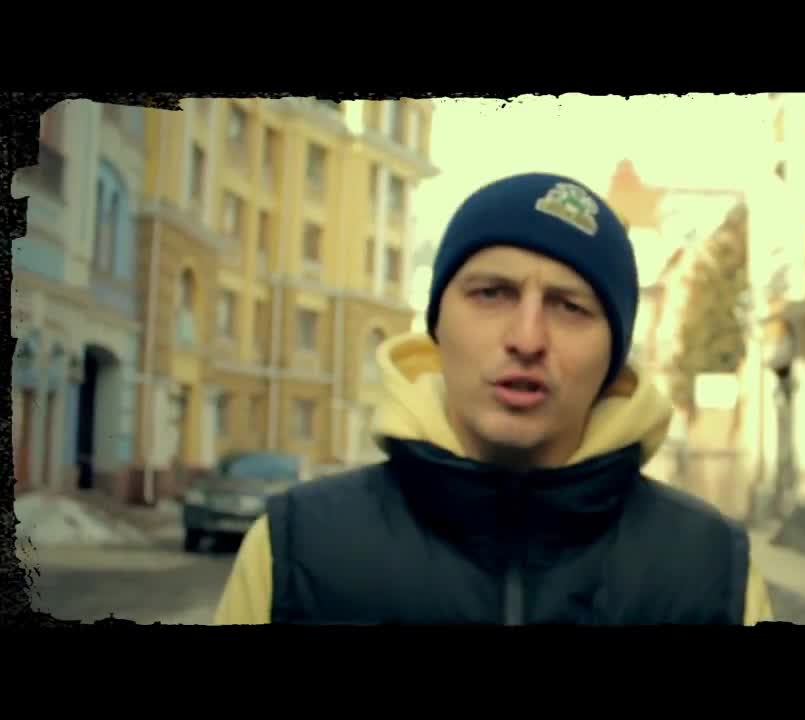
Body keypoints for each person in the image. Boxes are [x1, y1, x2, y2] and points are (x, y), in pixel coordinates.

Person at [212, 171, 773, 625]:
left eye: (570, 306)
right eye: (491, 293)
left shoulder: (711, 572)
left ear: (612, 361)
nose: (527, 339)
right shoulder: (296, 549)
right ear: (437, 327)